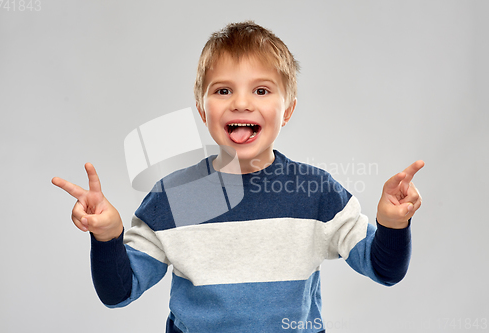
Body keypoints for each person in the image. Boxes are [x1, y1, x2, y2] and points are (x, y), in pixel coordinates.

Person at [52, 21, 424, 333]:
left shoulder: (315, 192)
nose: (241, 103)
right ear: (202, 108)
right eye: (223, 90)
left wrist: (392, 225)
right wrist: (107, 236)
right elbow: (118, 292)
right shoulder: (175, 198)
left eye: (261, 90)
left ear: (288, 110)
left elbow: (383, 270)